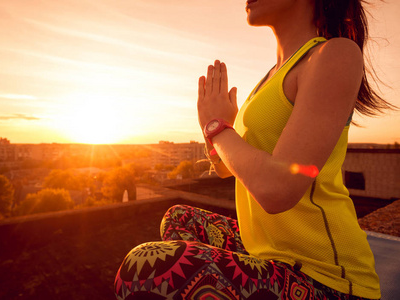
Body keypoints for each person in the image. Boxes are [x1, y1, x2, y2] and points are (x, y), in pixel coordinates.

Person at [115, 0, 394, 299]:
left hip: (325, 278)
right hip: (271, 257)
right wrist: (215, 130)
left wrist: (218, 129)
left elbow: (277, 187)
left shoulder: (334, 54)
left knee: (145, 268)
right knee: (179, 218)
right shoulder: (269, 78)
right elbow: (226, 168)